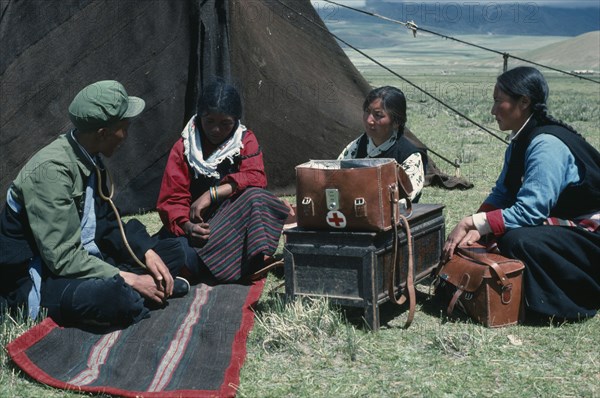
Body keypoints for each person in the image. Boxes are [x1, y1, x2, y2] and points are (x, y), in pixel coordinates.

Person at [0, 80, 189, 327]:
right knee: (116, 298)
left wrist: (146, 251)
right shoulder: (51, 174)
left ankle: (142, 286)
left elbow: (108, 224)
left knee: (174, 250)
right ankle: (135, 291)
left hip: (84, 260)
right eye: (124, 127)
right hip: (42, 275)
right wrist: (131, 279)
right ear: (103, 133)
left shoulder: (88, 158)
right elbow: (62, 258)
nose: (127, 134)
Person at [442, 66, 600, 320]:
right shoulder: (520, 141)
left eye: (498, 102)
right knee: (497, 235)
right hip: (566, 228)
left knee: (518, 240)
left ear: (524, 102)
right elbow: (502, 194)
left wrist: (473, 222)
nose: (493, 111)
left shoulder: (546, 145)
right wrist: (478, 227)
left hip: (590, 232)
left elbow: (530, 210)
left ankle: (579, 296)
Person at [156, 80, 290, 283]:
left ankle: (211, 265)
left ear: (235, 121)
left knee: (257, 197)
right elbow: (172, 200)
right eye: (209, 121)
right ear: (200, 116)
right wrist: (188, 227)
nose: (216, 130)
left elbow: (256, 177)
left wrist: (211, 194)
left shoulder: (244, 141)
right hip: (196, 231)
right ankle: (225, 266)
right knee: (174, 251)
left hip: (231, 225)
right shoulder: (184, 148)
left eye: (225, 123)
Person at [338, 86, 428, 202]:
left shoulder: (409, 156)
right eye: (367, 112)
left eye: (378, 115)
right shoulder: (356, 147)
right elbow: (336, 177)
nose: (369, 120)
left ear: (396, 122)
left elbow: (405, 198)